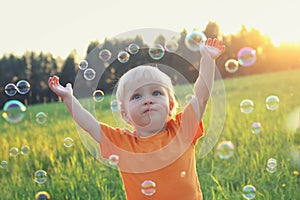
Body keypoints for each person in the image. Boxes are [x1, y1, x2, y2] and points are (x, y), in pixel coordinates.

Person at [48, 38, 225, 199]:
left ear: (171, 106)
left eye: (156, 93)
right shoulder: (122, 143)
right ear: (125, 114)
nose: (148, 100)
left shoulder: (182, 129)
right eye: (137, 96)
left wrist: (208, 59)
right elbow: (90, 125)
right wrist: (68, 98)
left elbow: (201, 96)